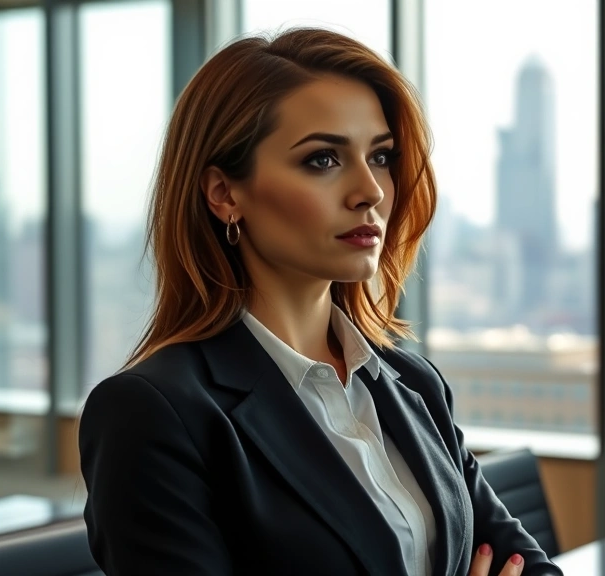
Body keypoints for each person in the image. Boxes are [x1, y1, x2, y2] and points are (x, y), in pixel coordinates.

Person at [78, 27, 563, 576]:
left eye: (380, 156)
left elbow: (531, 565)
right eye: (323, 160)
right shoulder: (151, 415)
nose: (371, 191)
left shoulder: (412, 383)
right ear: (224, 194)